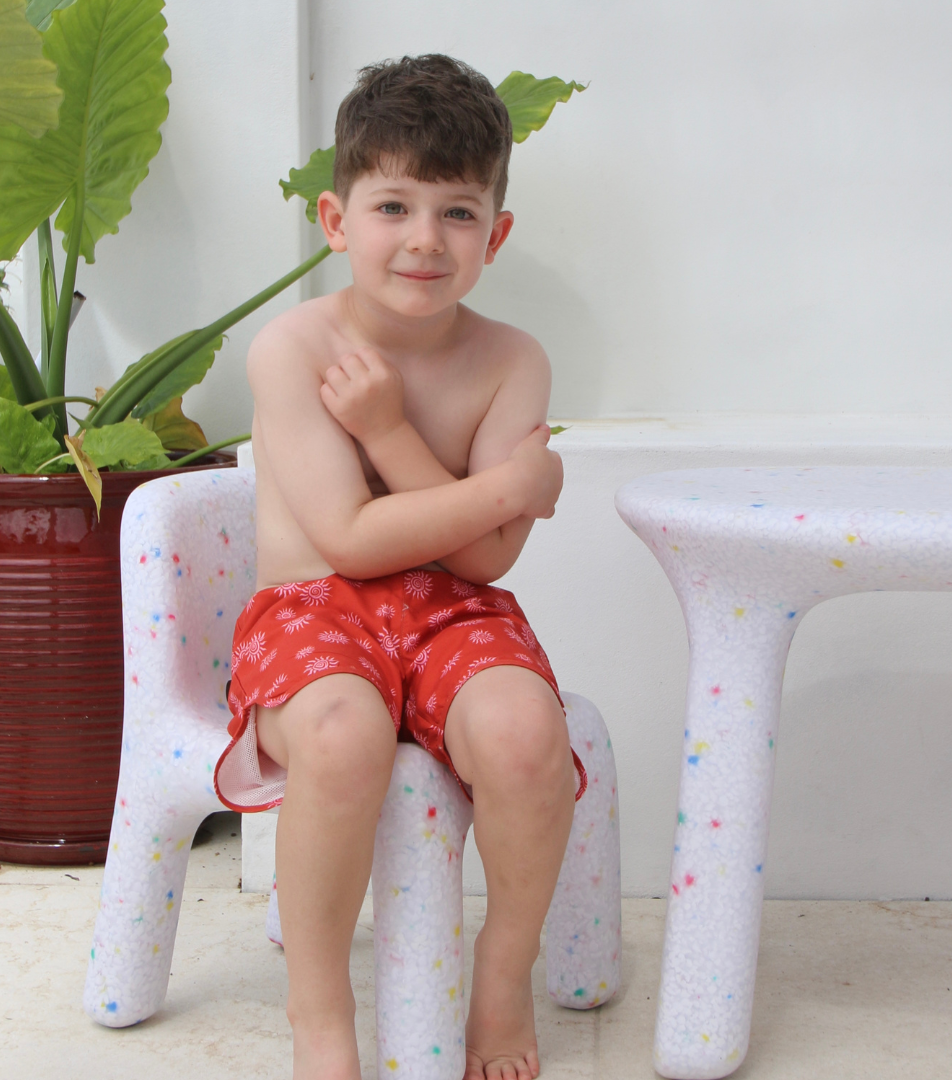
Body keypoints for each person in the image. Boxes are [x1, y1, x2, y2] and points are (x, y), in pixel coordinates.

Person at [212, 54, 586, 1080]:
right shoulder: (293, 348)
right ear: (336, 221)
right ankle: (321, 1014)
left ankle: (503, 971)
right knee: (341, 732)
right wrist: (507, 484)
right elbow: (350, 539)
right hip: (312, 613)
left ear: (494, 236)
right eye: (393, 207)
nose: (425, 239)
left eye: (458, 213)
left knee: (523, 733)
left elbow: (483, 560)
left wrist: (392, 438)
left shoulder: (512, 360)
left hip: (454, 613)